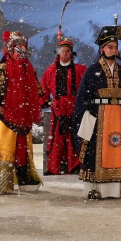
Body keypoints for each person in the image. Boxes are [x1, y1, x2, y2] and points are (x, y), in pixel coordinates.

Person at [72, 25, 121, 200]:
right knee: (95, 152)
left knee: (116, 149)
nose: (113, 50)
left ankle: (117, 188)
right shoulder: (92, 70)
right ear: (102, 49)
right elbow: (83, 97)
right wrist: (89, 113)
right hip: (98, 116)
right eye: (109, 47)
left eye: (115, 47)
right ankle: (94, 188)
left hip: (117, 117)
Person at [0, 31, 44, 194]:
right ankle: (1, 183)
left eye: (24, 51)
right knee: (5, 151)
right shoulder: (1, 69)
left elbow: (38, 92)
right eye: (18, 50)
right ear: (10, 50)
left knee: (22, 152)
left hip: (24, 118)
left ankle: (24, 178)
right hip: (6, 118)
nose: (21, 54)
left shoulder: (29, 70)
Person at [40, 36, 87, 175]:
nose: (65, 53)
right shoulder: (50, 71)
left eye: (67, 51)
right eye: (62, 51)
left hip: (74, 109)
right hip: (58, 109)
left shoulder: (80, 70)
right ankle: (54, 167)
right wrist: (48, 102)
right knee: (56, 139)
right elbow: (42, 90)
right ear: (58, 53)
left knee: (74, 138)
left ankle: (75, 166)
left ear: (71, 53)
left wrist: (84, 104)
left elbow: (87, 89)